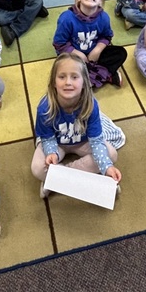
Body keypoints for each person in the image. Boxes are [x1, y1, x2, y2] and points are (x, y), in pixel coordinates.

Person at [31, 53, 124, 198]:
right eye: (62, 77)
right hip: (57, 144)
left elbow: (96, 141)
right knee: (37, 167)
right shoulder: (44, 108)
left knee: (111, 154)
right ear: (54, 82)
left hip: (83, 141)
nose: (68, 82)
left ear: (84, 82)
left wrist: (107, 167)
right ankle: (57, 178)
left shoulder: (91, 105)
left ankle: (55, 179)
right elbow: (47, 138)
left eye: (74, 77)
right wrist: (51, 153)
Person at [53, 0, 128, 88]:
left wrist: (97, 49)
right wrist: (78, 54)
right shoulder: (67, 18)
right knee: (64, 66)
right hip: (73, 56)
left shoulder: (103, 17)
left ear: (100, 1)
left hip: (94, 55)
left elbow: (106, 36)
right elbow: (59, 43)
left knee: (121, 53)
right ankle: (104, 75)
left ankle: (88, 77)